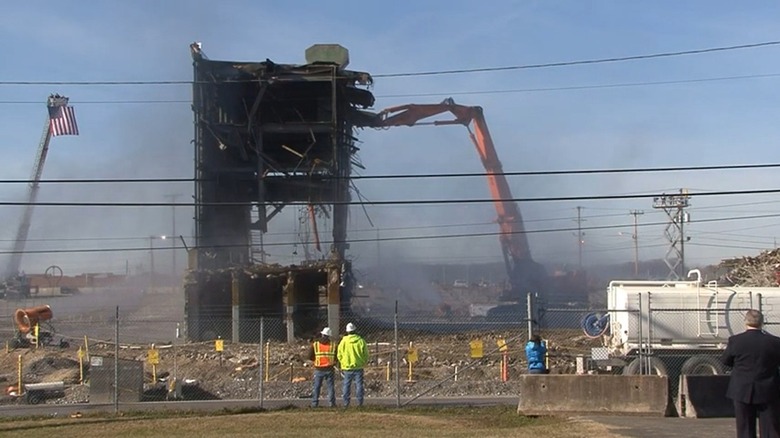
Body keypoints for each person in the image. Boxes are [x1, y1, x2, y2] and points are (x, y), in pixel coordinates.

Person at [720, 309, 780, 438]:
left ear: (745, 322)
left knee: (745, 428)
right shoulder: (775, 342)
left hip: (742, 389)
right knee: (771, 427)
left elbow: (725, 361)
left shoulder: (735, 340)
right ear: (762, 323)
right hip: (768, 389)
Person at [337, 322, 369, 407]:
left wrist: (343, 362)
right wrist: (363, 362)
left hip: (347, 367)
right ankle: (359, 403)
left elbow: (339, 354)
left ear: (347, 331)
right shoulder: (361, 341)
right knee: (359, 385)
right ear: (355, 331)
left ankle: (346, 403)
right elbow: (366, 354)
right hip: (358, 367)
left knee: (346, 385)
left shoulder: (343, 342)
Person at [307, 327, 337, 408]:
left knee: (317, 387)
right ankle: (332, 404)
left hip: (319, 369)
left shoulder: (315, 344)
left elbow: (309, 356)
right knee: (330, 387)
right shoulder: (333, 345)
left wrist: (316, 360)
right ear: (329, 336)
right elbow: (336, 357)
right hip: (330, 369)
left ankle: (314, 404)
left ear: (322, 334)